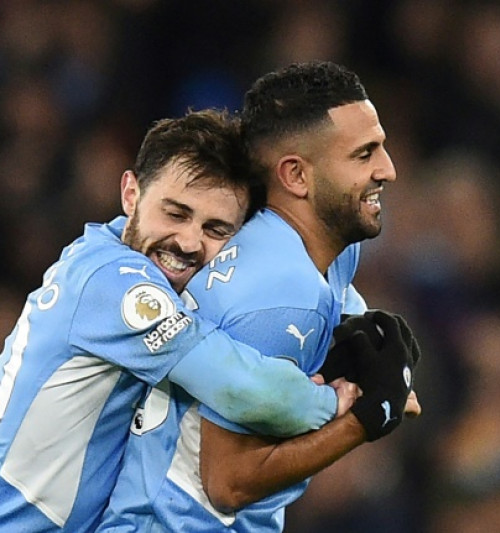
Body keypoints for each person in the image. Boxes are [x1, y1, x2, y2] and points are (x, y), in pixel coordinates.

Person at [0, 108, 365, 533]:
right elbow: (239, 386)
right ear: (131, 194)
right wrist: (331, 404)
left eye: (216, 229)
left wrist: (355, 316)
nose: (189, 241)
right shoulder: (114, 286)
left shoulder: (127, 266)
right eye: (176, 213)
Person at [99, 61, 422, 532]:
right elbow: (226, 483)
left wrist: (359, 328)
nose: (387, 170)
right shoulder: (278, 294)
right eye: (363, 154)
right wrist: (363, 422)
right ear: (296, 176)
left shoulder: (328, 246)